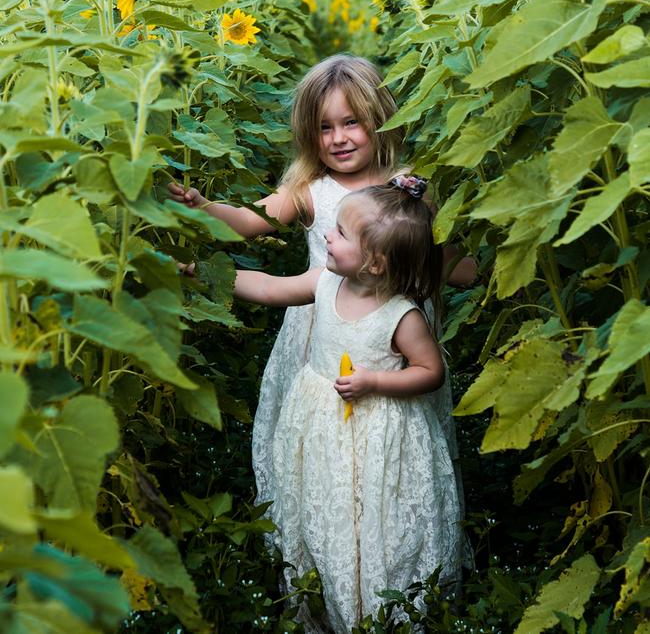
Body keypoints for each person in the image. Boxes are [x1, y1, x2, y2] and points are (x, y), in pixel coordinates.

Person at [168, 54, 475, 505]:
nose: (338, 139)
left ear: (379, 119)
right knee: (319, 432)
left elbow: (443, 260)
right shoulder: (311, 189)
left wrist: (483, 259)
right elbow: (248, 221)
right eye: (324, 128)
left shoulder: (408, 190)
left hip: (394, 337)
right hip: (321, 330)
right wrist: (204, 207)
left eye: (351, 122)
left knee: (400, 438)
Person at [233, 177, 465, 632]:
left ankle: (381, 604)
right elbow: (269, 288)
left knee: (377, 509)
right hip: (323, 423)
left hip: (380, 428)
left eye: (339, 234)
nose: (326, 236)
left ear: (376, 263)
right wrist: (207, 274)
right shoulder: (325, 282)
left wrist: (375, 381)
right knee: (328, 500)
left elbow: (429, 371)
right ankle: (326, 591)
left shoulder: (402, 314)